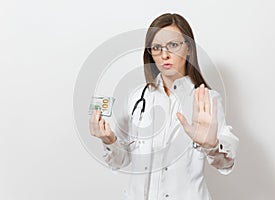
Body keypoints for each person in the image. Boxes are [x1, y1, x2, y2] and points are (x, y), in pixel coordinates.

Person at [89, 13, 239, 200]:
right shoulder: (137, 98)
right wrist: (109, 140)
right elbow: (120, 161)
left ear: (189, 48)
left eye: (173, 45)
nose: (164, 55)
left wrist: (212, 146)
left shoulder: (206, 100)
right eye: (157, 48)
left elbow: (225, 164)